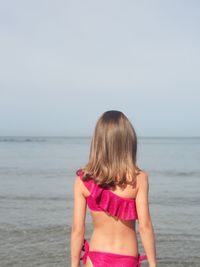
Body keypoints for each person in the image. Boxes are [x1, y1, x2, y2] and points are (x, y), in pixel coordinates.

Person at [70, 110, 157, 267]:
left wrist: (74, 264)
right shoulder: (139, 179)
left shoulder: (83, 181)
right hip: (127, 258)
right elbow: (145, 227)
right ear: (129, 142)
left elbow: (78, 229)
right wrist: (153, 264)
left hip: (96, 257)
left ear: (97, 142)